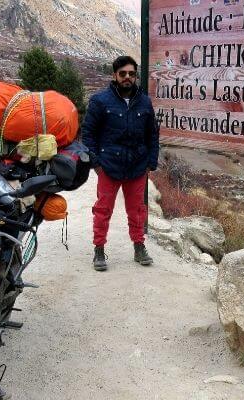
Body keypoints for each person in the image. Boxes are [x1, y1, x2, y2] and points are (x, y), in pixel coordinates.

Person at [81, 55, 160, 272]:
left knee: (137, 210)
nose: (127, 77)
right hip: (109, 166)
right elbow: (88, 134)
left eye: (131, 74)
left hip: (137, 166)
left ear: (135, 76)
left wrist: (150, 162)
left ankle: (139, 246)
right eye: (123, 73)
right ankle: (99, 249)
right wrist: (96, 164)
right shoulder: (100, 101)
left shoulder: (144, 102)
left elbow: (152, 135)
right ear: (114, 75)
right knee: (103, 209)